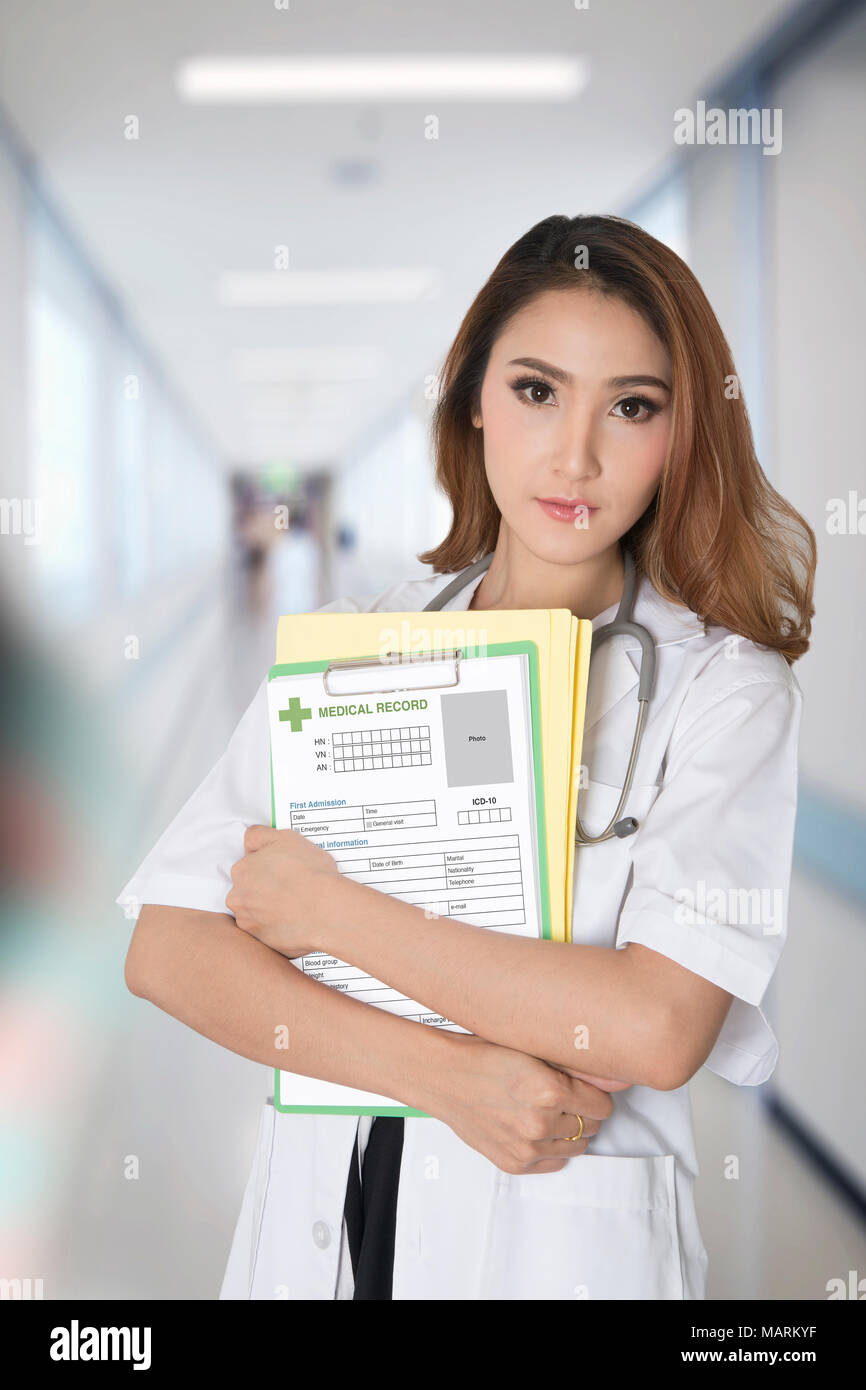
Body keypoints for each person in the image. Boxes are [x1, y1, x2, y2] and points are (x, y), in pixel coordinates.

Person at [117, 212, 816, 1300]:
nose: (572, 455)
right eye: (536, 391)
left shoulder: (723, 692)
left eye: (630, 406)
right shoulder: (356, 640)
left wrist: (330, 914)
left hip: (560, 1249)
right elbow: (168, 949)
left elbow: (655, 1024)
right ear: (473, 400)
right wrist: (441, 1074)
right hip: (321, 1230)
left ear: (680, 437)